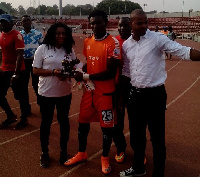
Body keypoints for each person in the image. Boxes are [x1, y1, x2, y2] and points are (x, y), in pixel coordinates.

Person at [119, 9, 200, 177]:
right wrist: (122, 95)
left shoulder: (157, 39)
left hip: (155, 96)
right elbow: (126, 71)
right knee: (136, 137)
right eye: (139, 23)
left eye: (146, 22)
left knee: (157, 139)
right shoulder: (127, 45)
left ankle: (158, 173)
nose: (144, 26)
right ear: (130, 25)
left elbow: (182, 51)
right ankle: (138, 167)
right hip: (134, 96)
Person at [64, 10, 120, 175]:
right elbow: (88, 64)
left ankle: (104, 157)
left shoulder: (113, 43)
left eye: (98, 22)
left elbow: (110, 72)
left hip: (106, 94)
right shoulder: (88, 41)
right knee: (82, 124)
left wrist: (85, 75)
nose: (95, 26)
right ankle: (82, 153)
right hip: (89, 92)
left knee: (106, 129)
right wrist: (79, 75)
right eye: (92, 23)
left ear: (106, 22)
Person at [32, 22, 76, 168]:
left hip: (64, 93)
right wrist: (53, 72)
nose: (61, 36)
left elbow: (74, 68)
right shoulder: (42, 49)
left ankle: (64, 151)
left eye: (64, 33)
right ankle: (44, 152)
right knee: (46, 123)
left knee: (64, 123)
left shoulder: (69, 50)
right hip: (46, 93)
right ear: (52, 34)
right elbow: (36, 71)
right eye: (58, 33)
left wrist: (68, 74)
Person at [0, 14, 29, 130]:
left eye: (5, 22)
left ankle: (24, 119)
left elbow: (19, 56)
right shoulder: (1, 35)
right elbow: (1, 53)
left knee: (20, 96)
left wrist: (16, 73)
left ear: (11, 23)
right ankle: (11, 115)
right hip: (4, 70)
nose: (2, 24)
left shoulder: (17, 35)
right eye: (1, 22)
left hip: (17, 71)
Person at [113, 17, 132, 163]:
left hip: (135, 85)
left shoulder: (138, 41)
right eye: (121, 26)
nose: (123, 28)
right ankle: (120, 147)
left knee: (136, 120)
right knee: (117, 120)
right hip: (117, 86)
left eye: (126, 25)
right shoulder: (113, 42)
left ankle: (139, 150)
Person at [20, 15, 43, 108]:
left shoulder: (38, 34)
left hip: (35, 62)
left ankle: (41, 103)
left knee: (36, 84)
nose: (26, 22)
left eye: (28, 20)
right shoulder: (19, 35)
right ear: (21, 23)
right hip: (23, 62)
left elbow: (43, 48)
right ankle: (26, 107)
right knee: (23, 85)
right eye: (24, 21)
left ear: (31, 21)